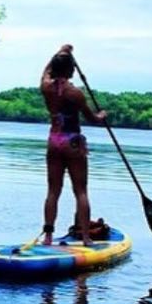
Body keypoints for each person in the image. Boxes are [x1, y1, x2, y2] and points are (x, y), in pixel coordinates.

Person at [40, 44, 106, 246]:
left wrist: (58, 53)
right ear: (71, 70)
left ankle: (48, 237)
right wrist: (101, 116)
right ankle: (86, 238)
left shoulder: (46, 87)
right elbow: (92, 118)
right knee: (81, 191)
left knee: (53, 191)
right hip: (72, 142)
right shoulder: (75, 93)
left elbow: (46, 71)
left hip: (54, 141)